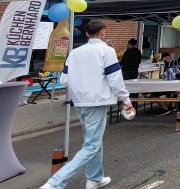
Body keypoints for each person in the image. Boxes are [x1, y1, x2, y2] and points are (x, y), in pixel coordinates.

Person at [41, 21, 133, 189]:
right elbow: (115, 79)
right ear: (103, 33)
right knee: (91, 145)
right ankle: (55, 182)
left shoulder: (74, 53)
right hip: (97, 102)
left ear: (86, 34)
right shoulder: (107, 51)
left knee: (93, 142)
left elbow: (64, 79)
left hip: (79, 102)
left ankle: (94, 178)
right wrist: (126, 100)